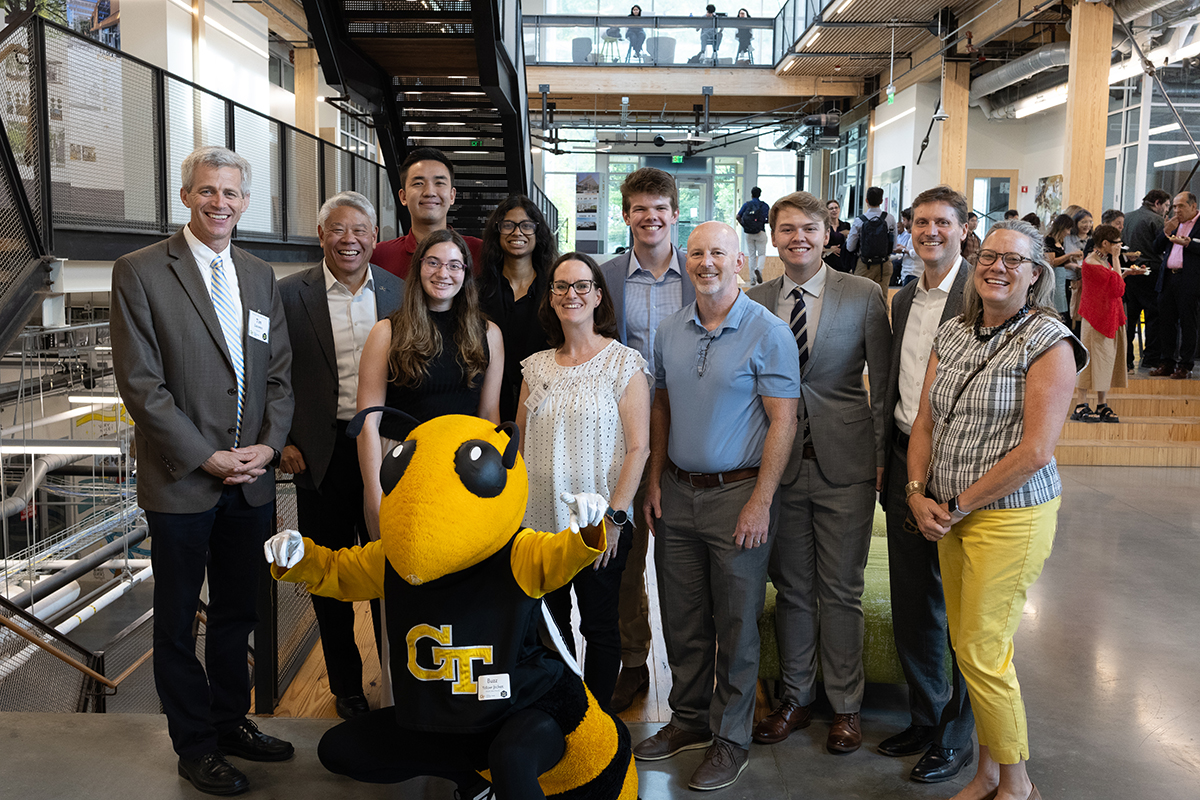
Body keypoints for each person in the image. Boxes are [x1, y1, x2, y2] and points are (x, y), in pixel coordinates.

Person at [110, 146, 295, 796]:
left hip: (250, 481)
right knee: (178, 620)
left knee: (240, 615)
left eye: (232, 193)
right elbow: (141, 384)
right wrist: (205, 454)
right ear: (186, 196)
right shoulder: (139, 271)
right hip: (183, 480)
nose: (220, 202)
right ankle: (194, 746)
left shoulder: (258, 274)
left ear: (246, 202)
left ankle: (230, 721)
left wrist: (268, 448)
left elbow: (277, 376)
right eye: (208, 191)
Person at [906, 220, 1086, 800]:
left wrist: (954, 505)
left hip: (1009, 515)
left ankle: (1017, 784)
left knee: (981, 651)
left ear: (1037, 275)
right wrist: (915, 492)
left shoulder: (1050, 340)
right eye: (990, 256)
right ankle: (987, 772)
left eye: (1015, 260)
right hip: (947, 513)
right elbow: (926, 419)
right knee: (971, 646)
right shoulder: (954, 332)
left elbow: (1036, 451)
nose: (998, 267)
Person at [632, 221, 799, 791]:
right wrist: (653, 480)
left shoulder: (768, 331)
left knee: (736, 622)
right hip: (677, 492)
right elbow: (660, 405)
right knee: (681, 619)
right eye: (697, 252)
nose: (706, 262)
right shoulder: (671, 328)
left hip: (737, 495)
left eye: (718, 253)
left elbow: (784, 421)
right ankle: (688, 720)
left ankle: (731, 739)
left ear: (742, 262)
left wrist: (760, 501)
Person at [746, 193, 891, 756]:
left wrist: (879, 461)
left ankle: (846, 706)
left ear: (827, 233)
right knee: (792, 589)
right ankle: (796, 697)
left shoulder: (865, 294)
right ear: (774, 236)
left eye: (809, 228)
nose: (797, 238)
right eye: (787, 230)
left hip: (846, 463)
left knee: (842, 589)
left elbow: (881, 381)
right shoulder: (753, 299)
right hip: (776, 466)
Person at [277, 191, 403, 722]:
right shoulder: (289, 295)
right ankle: (346, 685)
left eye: (360, 230)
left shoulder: (400, 292)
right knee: (326, 575)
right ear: (322, 234)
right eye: (338, 229)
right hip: (317, 455)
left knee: (389, 570)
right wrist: (279, 440)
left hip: (387, 452)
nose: (349, 239)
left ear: (375, 238)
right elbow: (272, 374)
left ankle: (394, 680)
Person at [517, 252, 651, 714]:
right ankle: (564, 709)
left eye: (581, 286)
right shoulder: (534, 367)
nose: (570, 294)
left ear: (598, 296)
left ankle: (596, 719)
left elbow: (640, 449)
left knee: (599, 625)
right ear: (550, 299)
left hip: (600, 523)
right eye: (560, 287)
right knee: (550, 623)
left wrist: (615, 518)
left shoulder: (624, 363)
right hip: (540, 522)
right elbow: (519, 443)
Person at [877, 186, 976, 784]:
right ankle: (926, 713)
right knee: (914, 597)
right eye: (920, 222)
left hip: (961, 467)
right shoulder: (904, 297)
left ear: (964, 230)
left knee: (962, 605)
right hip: (902, 456)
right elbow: (895, 380)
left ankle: (958, 735)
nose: (929, 231)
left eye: (942, 222)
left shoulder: (984, 289)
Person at [600, 167, 695, 714]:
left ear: (674, 213)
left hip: (693, 432)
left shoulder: (703, 272)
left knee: (683, 560)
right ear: (626, 214)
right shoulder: (607, 277)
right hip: (626, 436)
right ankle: (634, 662)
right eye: (639, 208)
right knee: (625, 557)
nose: (650, 217)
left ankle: (692, 671)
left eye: (659, 207)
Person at [357, 228, 504, 542]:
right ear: (419, 267)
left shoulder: (489, 333)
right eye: (433, 263)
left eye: (454, 265)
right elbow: (368, 422)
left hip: (464, 465)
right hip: (400, 459)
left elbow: (489, 413)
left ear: (466, 273)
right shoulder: (386, 332)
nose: (443, 273)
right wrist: (374, 493)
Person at [479, 195, 558, 423]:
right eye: (508, 225)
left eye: (526, 225)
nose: (517, 232)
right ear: (497, 232)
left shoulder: (556, 291)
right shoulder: (477, 291)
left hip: (545, 406)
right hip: (490, 405)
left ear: (537, 232)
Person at [372, 147, 483, 279]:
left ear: (452, 196)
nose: (429, 192)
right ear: (403, 197)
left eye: (439, 183)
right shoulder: (378, 256)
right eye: (418, 183)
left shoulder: (480, 253)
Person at [1072, 224, 1142, 422]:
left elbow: (1113, 282)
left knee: (1107, 361)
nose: (1120, 247)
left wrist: (1123, 270)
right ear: (1105, 244)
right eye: (1117, 244)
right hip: (1096, 318)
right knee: (1092, 360)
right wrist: (1116, 259)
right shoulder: (1092, 262)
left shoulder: (1102, 260)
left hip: (1110, 315)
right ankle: (1080, 403)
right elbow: (1118, 289)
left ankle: (1102, 403)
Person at [1149, 191, 1200, 380]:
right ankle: (1167, 362)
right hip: (1168, 278)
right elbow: (1155, 248)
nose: (1177, 210)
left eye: (1181, 206)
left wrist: (1190, 244)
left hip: (1190, 280)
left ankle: (1185, 365)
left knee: (1188, 323)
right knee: (1166, 322)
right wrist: (1166, 232)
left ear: (1193, 207)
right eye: (1175, 206)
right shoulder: (1173, 223)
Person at [1122, 189, 1171, 371]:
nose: (1167, 210)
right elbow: (1161, 246)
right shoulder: (1156, 220)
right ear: (1157, 203)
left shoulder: (1126, 217)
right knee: (1154, 315)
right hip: (1150, 270)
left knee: (1129, 317)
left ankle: (1126, 359)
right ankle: (1150, 358)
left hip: (1129, 272)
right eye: (1166, 205)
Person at [846, 186, 896, 293]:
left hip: (864, 264)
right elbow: (894, 246)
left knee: (860, 297)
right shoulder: (890, 218)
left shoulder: (859, 221)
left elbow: (850, 247)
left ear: (866, 200)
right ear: (881, 201)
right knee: (882, 298)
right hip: (884, 264)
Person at [1044, 213, 1082, 328]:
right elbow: (1052, 262)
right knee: (1057, 309)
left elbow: (1060, 264)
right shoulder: (1049, 240)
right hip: (1053, 280)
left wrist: (1071, 265)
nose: (1069, 233)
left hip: (1061, 280)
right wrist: (1070, 254)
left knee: (1063, 309)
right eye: (1068, 229)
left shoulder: (1060, 242)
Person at [736, 186, 770, 284]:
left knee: (751, 256)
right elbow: (769, 218)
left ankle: (752, 279)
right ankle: (759, 269)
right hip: (760, 232)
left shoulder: (747, 205)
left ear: (751, 194)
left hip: (748, 234)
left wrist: (745, 226)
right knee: (761, 254)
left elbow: (738, 216)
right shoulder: (764, 206)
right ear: (760, 194)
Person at [895, 207, 922, 286]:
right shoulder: (911, 235)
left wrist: (903, 250)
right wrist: (903, 248)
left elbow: (918, 253)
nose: (903, 223)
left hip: (913, 274)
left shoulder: (918, 236)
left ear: (911, 221)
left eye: (904, 220)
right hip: (908, 274)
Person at [824, 198, 851, 273]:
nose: (834, 210)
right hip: (828, 259)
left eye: (836, 208)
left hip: (842, 260)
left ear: (839, 209)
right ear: (827, 211)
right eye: (831, 208)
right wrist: (830, 248)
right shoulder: (824, 226)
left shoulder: (846, 225)